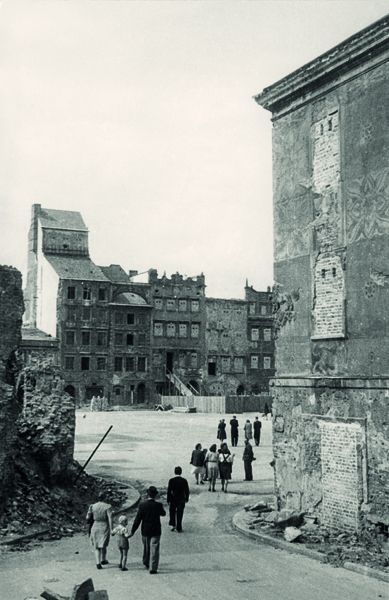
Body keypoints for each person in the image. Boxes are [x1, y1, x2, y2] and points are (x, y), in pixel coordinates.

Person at [129, 486, 166, 574]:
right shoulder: (158, 505)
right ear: (155, 495)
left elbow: (137, 519)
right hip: (156, 530)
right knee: (155, 548)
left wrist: (132, 531)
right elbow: (163, 513)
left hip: (145, 530)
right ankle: (153, 568)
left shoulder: (142, 505)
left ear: (147, 494)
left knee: (146, 547)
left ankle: (146, 562)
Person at [86, 491, 113, 569]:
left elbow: (87, 518)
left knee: (96, 545)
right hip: (104, 525)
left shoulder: (93, 506)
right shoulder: (108, 506)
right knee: (103, 544)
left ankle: (98, 563)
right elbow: (110, 518)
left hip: (95, 525)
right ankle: (103, 559)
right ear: (104, 498)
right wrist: (111, 529)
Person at [167, 466, 190, 533]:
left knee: (172, 512)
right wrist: (187, 498)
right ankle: (179, 527)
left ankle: (173, 525)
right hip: (181, 499)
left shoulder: (171, 480)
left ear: (174, 472)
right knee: (180, 512)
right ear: (181, 472)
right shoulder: (184, 480)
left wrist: (168, 499)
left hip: (173, 499)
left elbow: (169, 491)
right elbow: (187, 490)